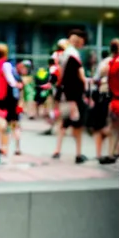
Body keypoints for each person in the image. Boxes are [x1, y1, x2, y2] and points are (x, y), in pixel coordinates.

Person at [51, 31, 90, 165]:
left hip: (65, 95)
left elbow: (60, 77)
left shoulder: (62, 56)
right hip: (75, 96)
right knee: (77, 127)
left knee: (63, 124)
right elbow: (81, 76)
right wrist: (85, 87)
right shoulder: (74, 56)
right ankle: (78, 154)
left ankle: (57, 150)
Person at [99, 39, 119, 164]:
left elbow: (101, 73)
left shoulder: (110, 63)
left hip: (114, 101)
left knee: (114, 128)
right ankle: (117, 151)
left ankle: (111, 153)